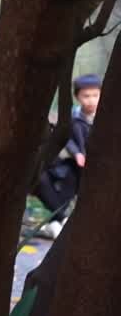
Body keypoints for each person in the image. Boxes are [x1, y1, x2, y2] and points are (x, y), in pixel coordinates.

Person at [34, 73, 100, 238]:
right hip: (78, 163)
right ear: (77, 96)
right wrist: (77, 153)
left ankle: (57, 221)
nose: (91, 100)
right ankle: (60, 219)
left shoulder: (107, 117)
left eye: (95, 95)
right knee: (55, 178)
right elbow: (67, 138)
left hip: (99, 165)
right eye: (86, 96)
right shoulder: (73, 116)